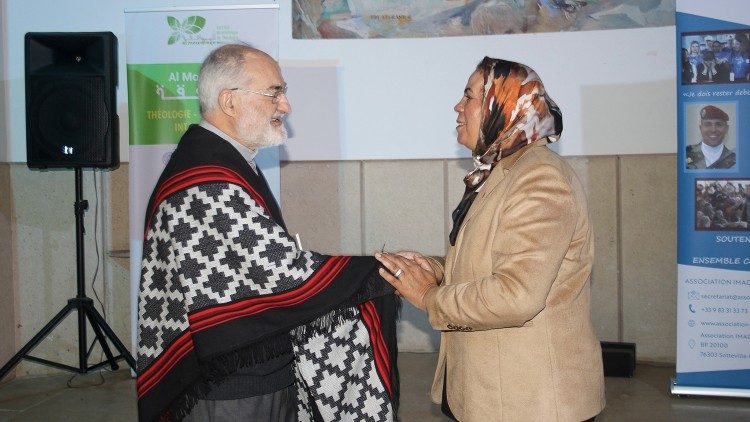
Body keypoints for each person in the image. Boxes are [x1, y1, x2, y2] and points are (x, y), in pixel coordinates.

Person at [136, 44, 399, 422]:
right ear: (229, 102)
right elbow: (278, 274)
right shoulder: (207, 180)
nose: (286, 106)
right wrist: (380, 270)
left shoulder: (223, 160)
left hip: (249, 372)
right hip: (231, 390)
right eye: (275, 92)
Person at [376, 57, 605, 421]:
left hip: (530, 403)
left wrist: (428, 296)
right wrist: (435, 269)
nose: (458, 106)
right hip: (491, 396)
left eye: (469, 96)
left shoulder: (539, 180)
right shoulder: (499, 171)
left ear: (504, 106)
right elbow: (491, 262)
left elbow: (516, 295)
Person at [686, 105, 736, 169]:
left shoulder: (735, 160)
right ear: (700, 128)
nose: (713, 130)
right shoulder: (686, 153)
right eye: (707, 124)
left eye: (719, 124)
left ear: (726, 128)